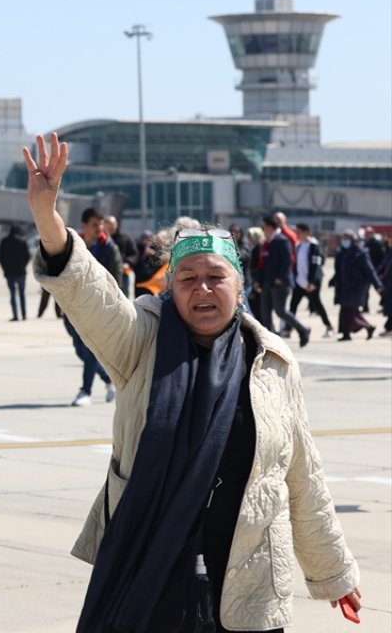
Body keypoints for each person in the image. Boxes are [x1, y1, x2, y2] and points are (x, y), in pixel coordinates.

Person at [23, 133, 361, 633]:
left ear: (240, 286)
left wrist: (334, 572)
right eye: (187, 279)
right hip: (152, 568)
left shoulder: (271, 360)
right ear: (170, 288)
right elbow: (88, 295)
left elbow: (302, 477)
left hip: (249, 579)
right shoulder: (141, 340)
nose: (202, 288)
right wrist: (49, 218)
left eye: (215, 277)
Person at [66, 207, 120, 406]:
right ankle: (109, 380)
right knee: (80, 350)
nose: (99, 228)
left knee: (89, 351)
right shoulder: (72, 245)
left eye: (101, 224)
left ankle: (85, 392)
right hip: (72, 306)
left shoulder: (109, 247)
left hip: (98, 307)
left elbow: (117, 278)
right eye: (95, 225)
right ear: (84, 226)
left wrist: (115, 304)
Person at [257, 215, 311, 347]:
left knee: (280, 311)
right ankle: (268, 342)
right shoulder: (268, 242)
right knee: (265, 312)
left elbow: (288, 260)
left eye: (264, 227)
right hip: (267, 282)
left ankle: (302, 330)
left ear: (269, 227)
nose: (263, 230)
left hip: (279, 283)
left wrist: (280, 278)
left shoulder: (282, 241)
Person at [330, 229, 383, 341]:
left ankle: (352, 331)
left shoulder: (361, 253)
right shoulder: (341, 254)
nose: (345, 241)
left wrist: (377, 284)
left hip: (356, 287)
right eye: (343, 239)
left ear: (353, 240)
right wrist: (333, 280)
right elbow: (338, 271)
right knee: (346, 310)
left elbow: (370, 270)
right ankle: (355, 330)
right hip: (344, 286)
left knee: (350, 311)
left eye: (347, 239)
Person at [287, 223, 335, 338]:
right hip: (299, 282)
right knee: (293, 306)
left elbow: (316, 265)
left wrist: (312, 282)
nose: (297, 234)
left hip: (310, 284)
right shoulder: (299, 246)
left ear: (306, 232)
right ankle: (288, 329)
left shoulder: (314, 246)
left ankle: (329, 327)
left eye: (299, 232)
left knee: (318, 305)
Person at [0, 223, 31, 321]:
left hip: (9, 272)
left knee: (12, 294)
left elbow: (0, 258)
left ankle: (15, 315)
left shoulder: (4, 242)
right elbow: (28, 256)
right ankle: (24, 315)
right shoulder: (22, 241)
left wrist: (5, 268)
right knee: (22, 294)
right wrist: (23, 265)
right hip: (21, 271)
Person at [104, 215, 138, 293]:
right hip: (105, 274)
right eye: (108, 225)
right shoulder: (101, 241)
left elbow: (134, 254)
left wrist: (128, 262)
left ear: (116, 225)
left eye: (112, 225)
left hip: (123, 274)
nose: (110, 228)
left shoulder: (125, 238)